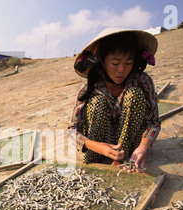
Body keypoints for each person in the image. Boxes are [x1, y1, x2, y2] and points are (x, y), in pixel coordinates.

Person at [68, 28, 161, 173]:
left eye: (128, 63)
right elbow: (72, 130)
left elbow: (153, 122)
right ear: (102, 61)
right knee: (97, 102)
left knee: (134, 94)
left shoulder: (142, 81)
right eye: (115, 63)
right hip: (98, 147)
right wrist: (98, 147)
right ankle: (96, 158)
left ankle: (121, 159)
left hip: (131, 147)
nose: (122, 70)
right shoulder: (90, 87)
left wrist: (143, 147)